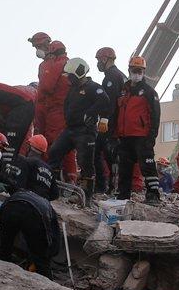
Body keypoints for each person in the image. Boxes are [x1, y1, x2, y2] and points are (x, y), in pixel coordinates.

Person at [47, 58, 115, 194]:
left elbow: (105, 101)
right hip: (70, 129)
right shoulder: (73, 89)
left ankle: (87, 193)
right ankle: (53, 187)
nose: (68, 78)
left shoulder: (94, 87)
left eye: (70, 76)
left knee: (85, 161)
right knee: (55, 151)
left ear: (78, 73)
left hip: (85, 131)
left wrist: (95, 116)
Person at [115, 56, 162, 203]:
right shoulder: (124, 91)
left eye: (139, 71)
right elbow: (119, 112)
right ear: (129, 70)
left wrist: (151, 137)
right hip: (125, 136)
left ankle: (153, 195)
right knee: (124, 169)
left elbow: (155, 115)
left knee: (148, 166)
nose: (137, 73)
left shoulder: (149, 92)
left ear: (143, 72)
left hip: (142, 136)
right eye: (134, 70)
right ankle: (123, 196)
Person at [32, 37, 73, 180]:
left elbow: (46, 87)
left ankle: (49, 175)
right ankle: (68, 177)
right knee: (64, 142)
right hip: (59, 108)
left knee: (51, 141)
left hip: (53, 108)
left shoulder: (54, 64)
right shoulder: (66, 63)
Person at [3, 134, 58, 200]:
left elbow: (19, 186)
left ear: (29, 148)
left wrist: (7, 186)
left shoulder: (26, 162)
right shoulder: (49, 169)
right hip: (43, 206)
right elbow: (55, 195)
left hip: (28, 201)